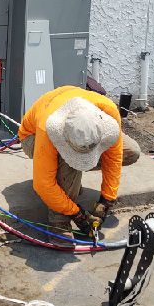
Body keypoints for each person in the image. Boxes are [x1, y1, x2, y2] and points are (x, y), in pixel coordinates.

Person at [18, 85, 141, 245]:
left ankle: (67, 183)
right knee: (67, 161)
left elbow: (114, 157)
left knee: (131, 151)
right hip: (32, 137)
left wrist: (107, 200)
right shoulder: (48, 126)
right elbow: (43, 185)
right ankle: (59, 221)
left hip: (76, 124)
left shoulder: (108, 110)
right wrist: (76, 213)